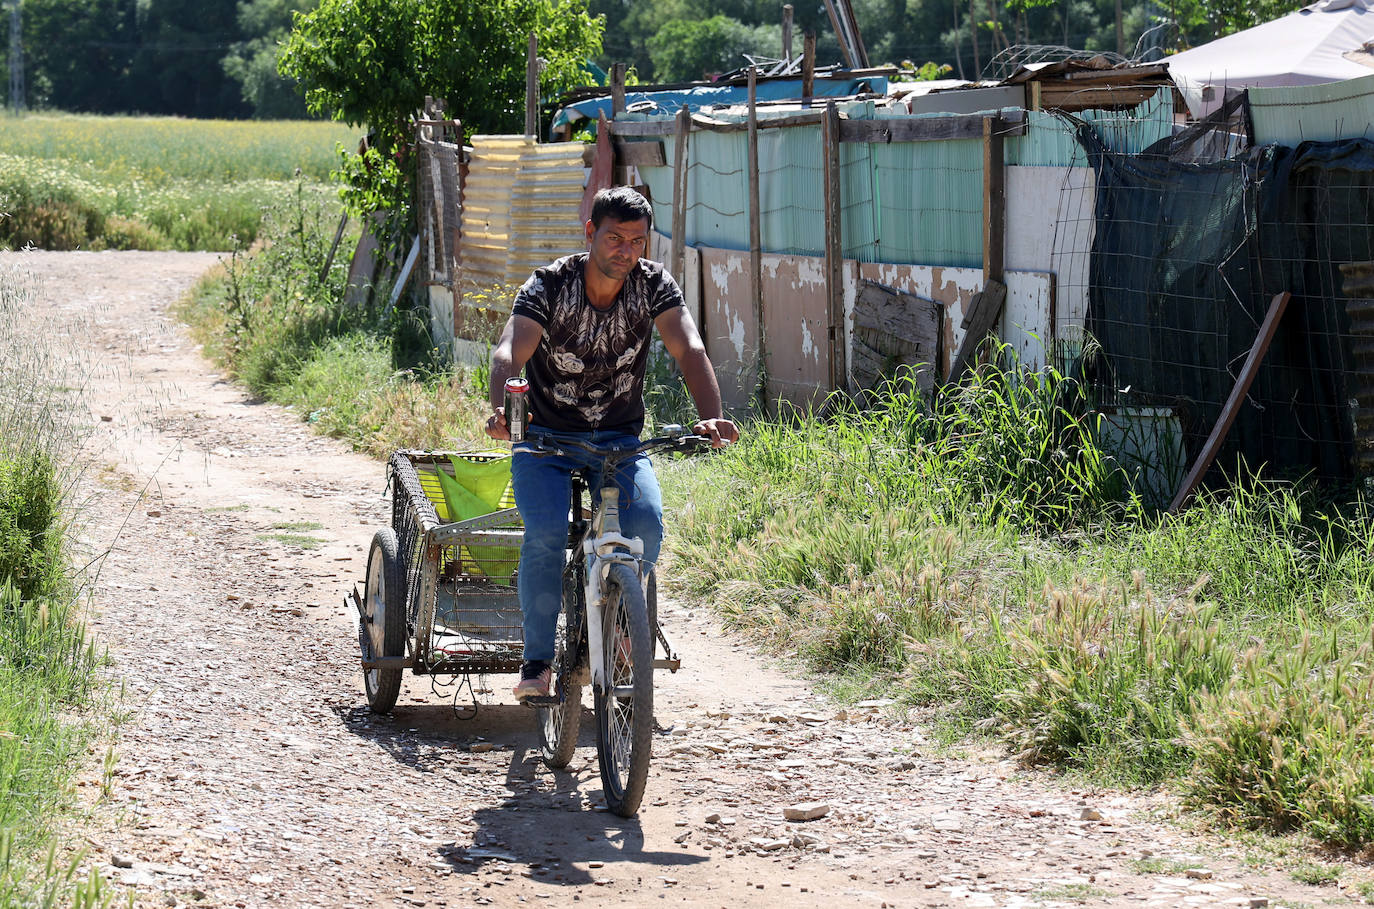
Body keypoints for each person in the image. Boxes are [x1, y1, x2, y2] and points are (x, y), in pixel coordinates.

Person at [485, 186, 739, 700]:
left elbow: (687, 346)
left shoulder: (653, 286)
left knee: (645, 523)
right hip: (544, 439)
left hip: (620, 439)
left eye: (636, 241)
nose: (625, 250)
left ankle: (622, 628)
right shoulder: (549, 286)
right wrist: (504, 411)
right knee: (547, 533)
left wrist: (711, 417)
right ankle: (536, 663)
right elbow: (509, 349)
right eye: (614, 238)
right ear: (590, 234)